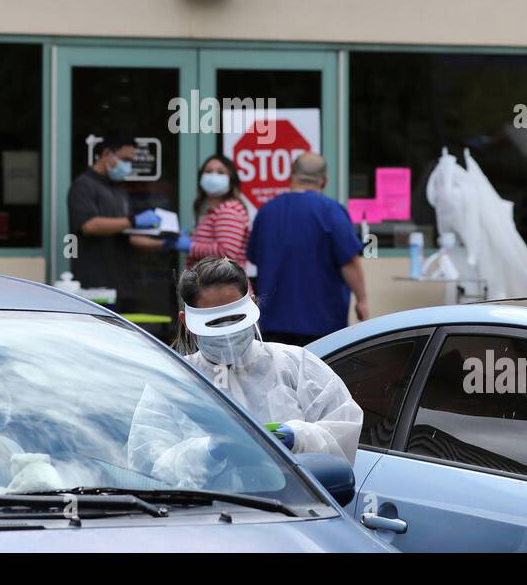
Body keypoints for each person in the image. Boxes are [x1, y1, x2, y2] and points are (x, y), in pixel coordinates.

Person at [126, 256, 362, 486]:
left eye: (235, 318)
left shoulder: (295, 365)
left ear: (253, 303)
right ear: (186, 321)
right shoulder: (173, 382)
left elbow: (344, 431)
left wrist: (296, 436)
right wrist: (209, 451)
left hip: (293, 512)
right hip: (202, 518)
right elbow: (149, 465)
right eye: (215, 323)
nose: (227, 332)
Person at [246, 152, 369, 346]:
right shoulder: (331, 211)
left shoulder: (267, 211)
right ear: (325, 180)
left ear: (291, 174)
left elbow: (253, 256)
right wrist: (362, 300)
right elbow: (349, 261)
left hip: (273, 323)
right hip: (322, 324)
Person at [66, 133, 164, 306]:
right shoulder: (83, 185)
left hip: (121, 282)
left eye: (131, 161)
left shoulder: (118, 190)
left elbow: (125, 234)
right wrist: (133, 221)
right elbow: (88, 225)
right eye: (125, 159)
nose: (128, 166)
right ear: (106, 154)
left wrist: (163, 243)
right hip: (94, 284)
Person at [164, 154, 249, 268]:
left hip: (224, 284)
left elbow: (226, 253)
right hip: (213, 283)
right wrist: (191, 237)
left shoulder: (228, 210)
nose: (214, 176)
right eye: (208, 171)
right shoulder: (213, 210)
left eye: (221, 172)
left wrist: (190, 246)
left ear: (231, 180)